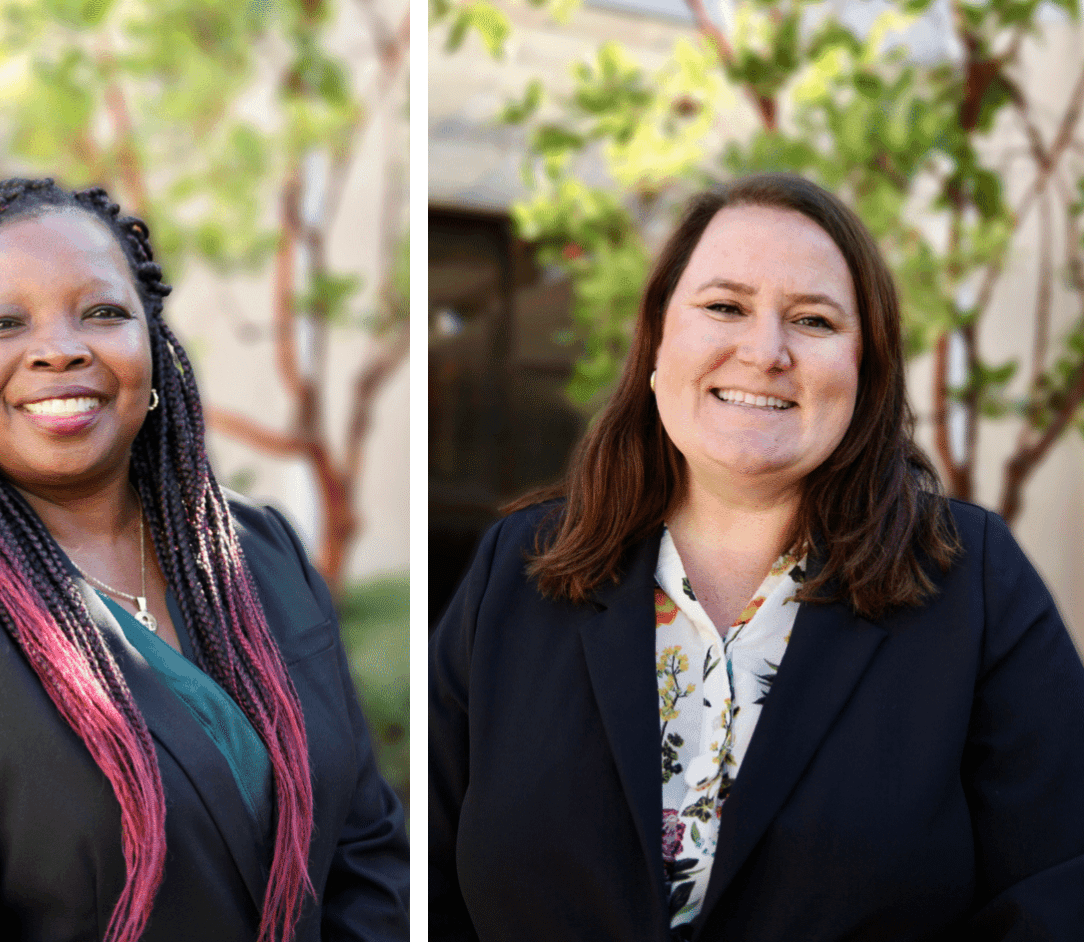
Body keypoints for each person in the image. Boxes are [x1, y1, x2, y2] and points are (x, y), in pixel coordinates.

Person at [429, 172, 1084, 941]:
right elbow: (428, 883)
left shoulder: (974, 583)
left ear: (865, 372)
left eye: (812, 320)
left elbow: (1056, 892)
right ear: (658, 343)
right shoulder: (518, 569)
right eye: (723, 307)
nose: (764, 351)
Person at [0, 177, 408, 942]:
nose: (59, 349)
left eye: (104, 313)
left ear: (152, 343)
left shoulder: (259, 551)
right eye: (3, 323)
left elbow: (367, 852)